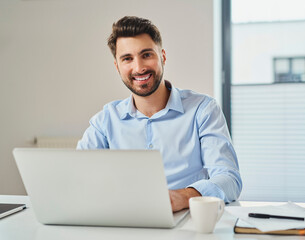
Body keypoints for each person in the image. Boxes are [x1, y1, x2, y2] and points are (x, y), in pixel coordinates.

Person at [77, 16, 242, 212]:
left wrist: (183, 197)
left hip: (186, 221)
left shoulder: (203, 109)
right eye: (127, 58)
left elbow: (229, 179)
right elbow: (78, 175)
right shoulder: (105, 121)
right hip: (124, 221)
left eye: (146, 55)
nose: (139, 68)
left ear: (162, 56)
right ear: (117, 66)